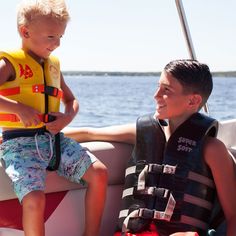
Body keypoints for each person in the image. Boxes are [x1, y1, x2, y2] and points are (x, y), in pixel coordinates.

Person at [70, 59, 236, 236]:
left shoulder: (212, 149)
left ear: (193, 100)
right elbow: (89, 133)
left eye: (166, 90)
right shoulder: (143, 133)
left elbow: (233, 215)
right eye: (158, 87)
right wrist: (42, 134)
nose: (156, 95)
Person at [0, 1, 107, 236]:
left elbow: (72, 101)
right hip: (19, 145)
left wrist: (67, 118)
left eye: (60, 37)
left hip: (54, 140)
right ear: (25, 32)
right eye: (51, 36)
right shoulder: (8, 63)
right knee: (34, 199)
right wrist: (18, 108)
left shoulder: (53, 67)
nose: (57, 43)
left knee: (99, 174)